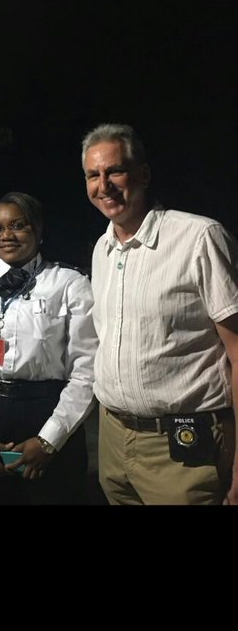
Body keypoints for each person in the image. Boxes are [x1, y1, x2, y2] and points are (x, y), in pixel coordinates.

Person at [82, 122, 238, 506]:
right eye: (92, 175)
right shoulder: (102, 250)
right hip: (114, 441)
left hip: (184, 448)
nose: (104, 185)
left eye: (115, 170)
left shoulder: (198, 237)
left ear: (143, 174)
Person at [0, 191, 97, 505]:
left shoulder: (69, 283)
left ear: (38, 231)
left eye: (17, 226)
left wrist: (49, 440)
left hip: (47, 410)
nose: (6, 236)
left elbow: (87, 369)